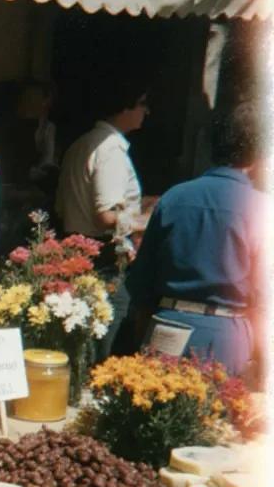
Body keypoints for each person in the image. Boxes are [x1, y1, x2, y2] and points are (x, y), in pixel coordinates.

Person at [125, 101, 268, 381]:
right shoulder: (261, 208)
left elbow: (141, 282)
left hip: (166, 325)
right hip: (226, 336)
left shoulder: (174, 197)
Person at [55, 77, 151, 360]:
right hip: (102, 261)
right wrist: (146, 220)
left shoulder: (84, 143)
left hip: (78, 252)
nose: (146, 111)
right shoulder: (109, 149)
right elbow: (105, 215)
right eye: (142, 103)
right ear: (125, 106)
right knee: (100, 349)